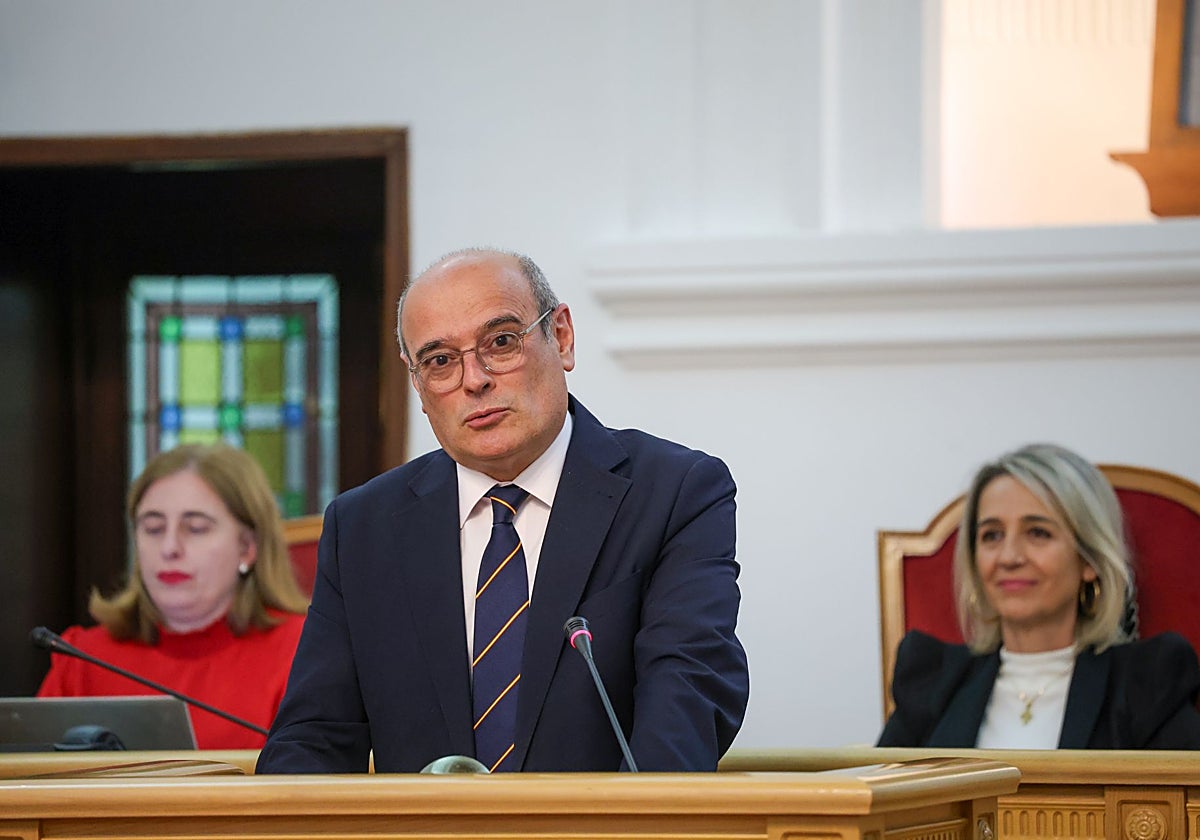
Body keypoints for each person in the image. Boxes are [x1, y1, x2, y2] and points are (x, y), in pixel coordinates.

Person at [257, 247, 749, 774]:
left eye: (500, 342)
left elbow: (687, 697)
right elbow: (314, 736)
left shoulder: (674, 492)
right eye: (440, 361)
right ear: (418, 384)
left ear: (560, 336)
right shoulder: (362, 528)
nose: (475, 379)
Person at [879, 442, 1200, 749]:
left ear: (1089, 560)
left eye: (1037, 533)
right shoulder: (930, 679)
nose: (1009, 557)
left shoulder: (1148, 682)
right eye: (992, 535)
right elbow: (883, 798)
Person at [38, 443, 309, 750]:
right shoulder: (83, 659)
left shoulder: (305, 654)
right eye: (153, 528)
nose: (169, 547)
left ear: (247, 547)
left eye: (195, 528)